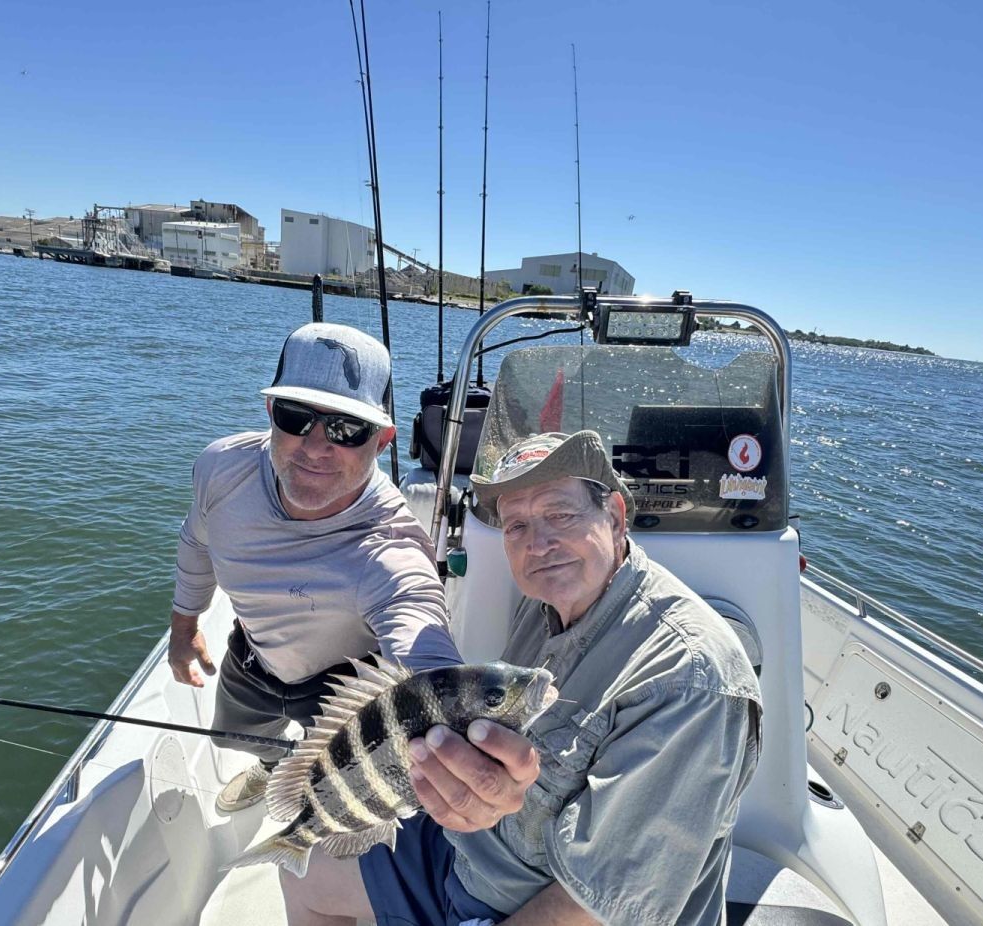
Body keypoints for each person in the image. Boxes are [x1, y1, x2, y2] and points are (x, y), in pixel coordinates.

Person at [281, 430, 763, 926]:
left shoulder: (688, 679)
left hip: (526, 910)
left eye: (560, 515)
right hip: (467, 855)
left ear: (615, 517)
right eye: (516, 526)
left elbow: (596, 909)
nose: (539, 544)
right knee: (303, 871)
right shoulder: (548, 602)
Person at [168, 322, 462, 813]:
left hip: (347, 682)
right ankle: (270, 767)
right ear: (269, 411)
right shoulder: (220, 469)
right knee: (229, 738)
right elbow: (197, 541)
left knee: (336, 770)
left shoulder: (389, 545)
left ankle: (315, 789)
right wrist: (184, 625)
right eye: (295, 416)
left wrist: (451, 716)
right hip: (254, 657)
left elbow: (418, 623)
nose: (316, 446)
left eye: (347, 429)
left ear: (384, 440)